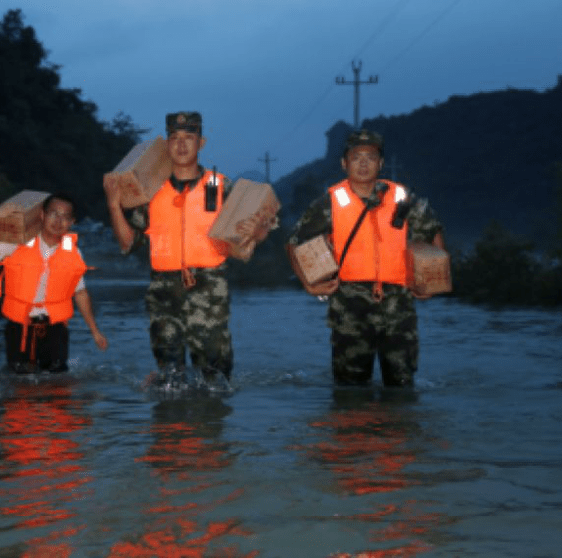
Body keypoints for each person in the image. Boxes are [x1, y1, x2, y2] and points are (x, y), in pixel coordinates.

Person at [103, 111, 268, 384]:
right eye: (175, 138)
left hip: (210, 288)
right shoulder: (149, 190)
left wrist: (258, 232)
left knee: (216, 379)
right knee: (170, 380)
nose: (181, 145)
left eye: (189, 138)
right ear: (166, 145)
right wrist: (113, 205)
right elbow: (128, 243)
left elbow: (252, 235)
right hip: (163, 290)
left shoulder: (220, 185)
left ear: (201, 143)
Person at [286, 130, 445, 387]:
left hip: (398, 305)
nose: (363, 163)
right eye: (356, 157)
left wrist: (432, 280)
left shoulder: (403, 199)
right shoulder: (329, 202)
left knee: (402, 386)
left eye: (370, 157)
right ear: (344, 163)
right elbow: (295, 242)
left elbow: (432, 231)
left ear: (380, 164)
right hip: (349, 304)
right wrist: (308, 282)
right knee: (350, 388)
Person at [0, 193, 109, 373]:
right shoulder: (19, 242)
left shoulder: (73, 253)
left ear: (71, 223)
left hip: (55, 328)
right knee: (20, 380)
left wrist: (95, 331)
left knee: (56, 380)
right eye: (54, 213)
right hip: (20, 325)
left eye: (65, 217)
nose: (58, 220)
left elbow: (80, 293)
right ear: (42, 215)